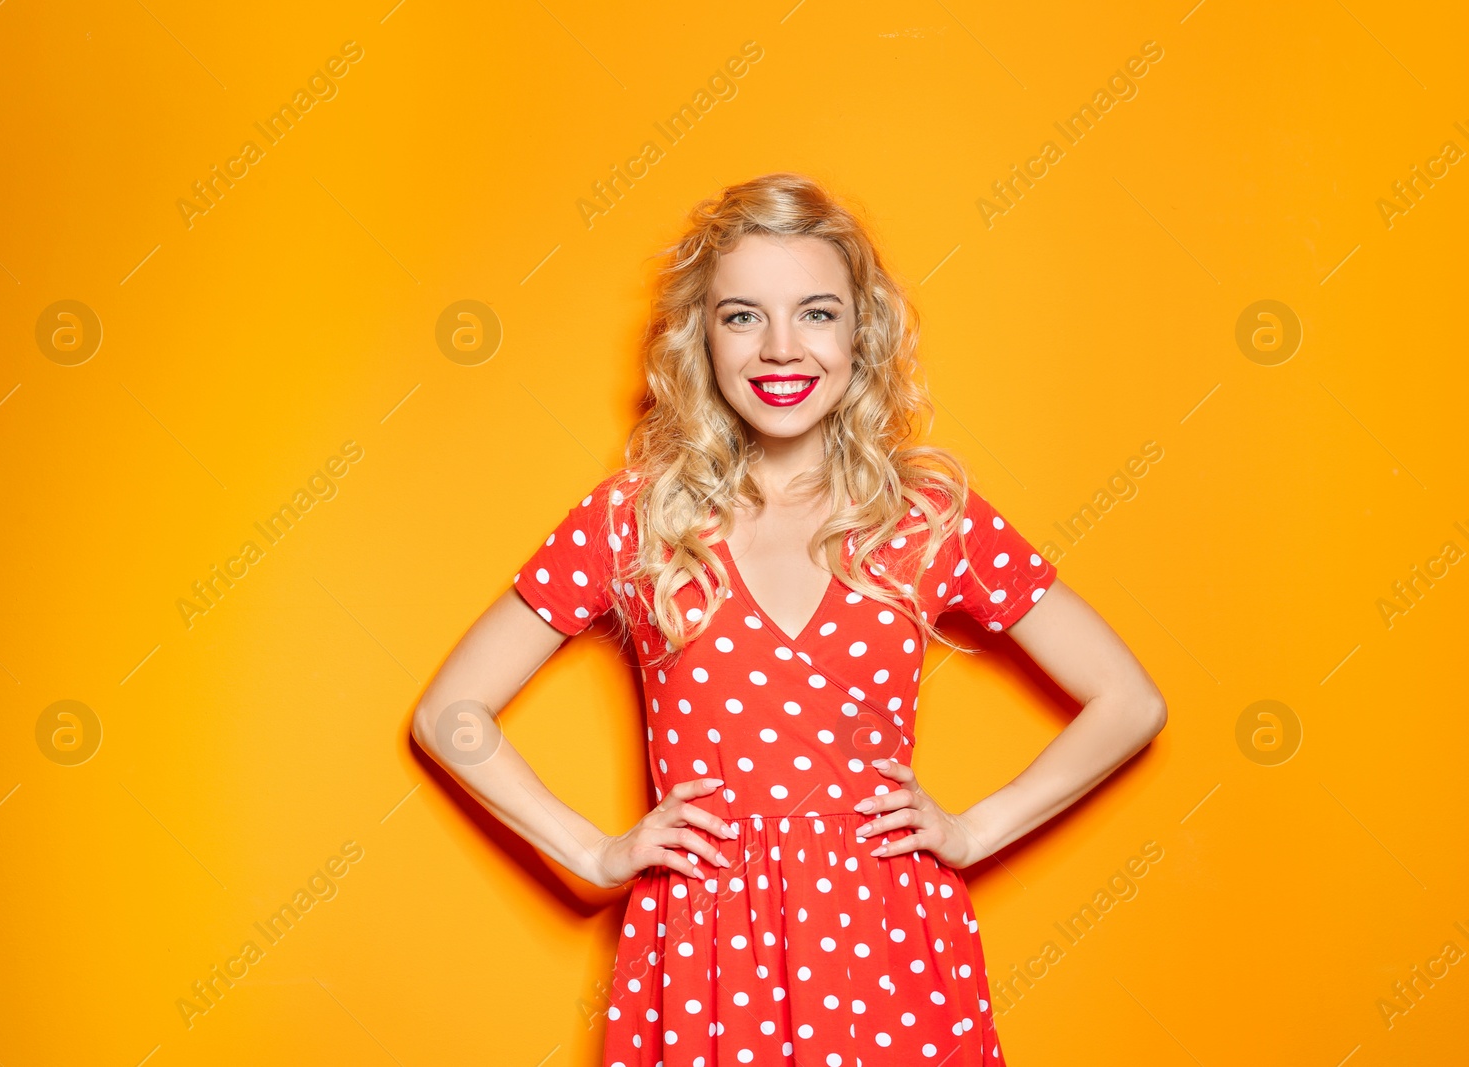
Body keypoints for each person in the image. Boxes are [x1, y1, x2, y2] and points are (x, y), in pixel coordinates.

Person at [410, 172, 1167, 1065]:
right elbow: (447, 714)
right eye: (741, 316)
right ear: (703, 338)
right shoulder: (635, 517)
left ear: (860, 332)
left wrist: (974, 831)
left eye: (815, 312)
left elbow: (1130, 701)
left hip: (887, 941)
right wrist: (594, 852)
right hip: (704, 948)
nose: (780, 349)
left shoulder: (928, 517)